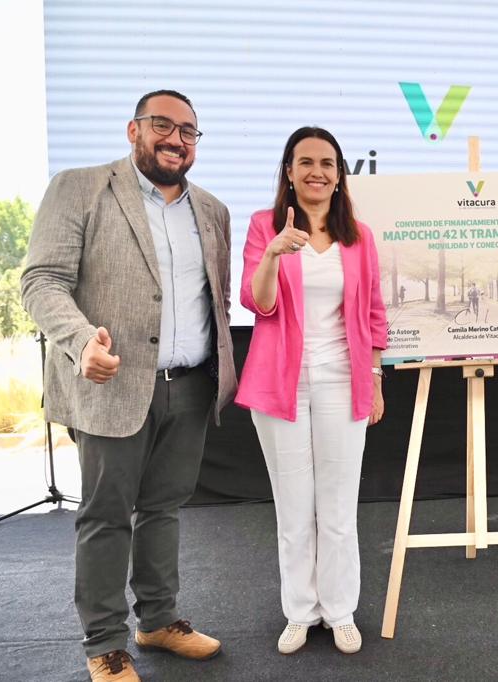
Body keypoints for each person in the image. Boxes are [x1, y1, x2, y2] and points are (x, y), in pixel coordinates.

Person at [21, 89, 237, 681]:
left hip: (189, 387)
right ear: (133, 129)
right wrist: (79, 340)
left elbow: (215, 300)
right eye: (162, 125)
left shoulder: (212, 210)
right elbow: (42, 280)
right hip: (111, 384)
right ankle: (105, 644)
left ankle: (158, 620)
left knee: (163, 509)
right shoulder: (79, 188)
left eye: (188, 131)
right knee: (107, 516)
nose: (176, 139)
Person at [235, 126, 387, 656]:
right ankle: (300, 611)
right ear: (289, 171)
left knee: (339, 508)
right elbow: (258, 303)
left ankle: (340, 610)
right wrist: (274, 254)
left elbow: (374, 314)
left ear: (340, 174)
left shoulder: (359, 236)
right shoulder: (265, 225)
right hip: (281, 385)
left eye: (327, 163)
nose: (316, 172)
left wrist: (376, 379)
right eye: (306, 162)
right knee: (294, 509)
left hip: (344, 380)